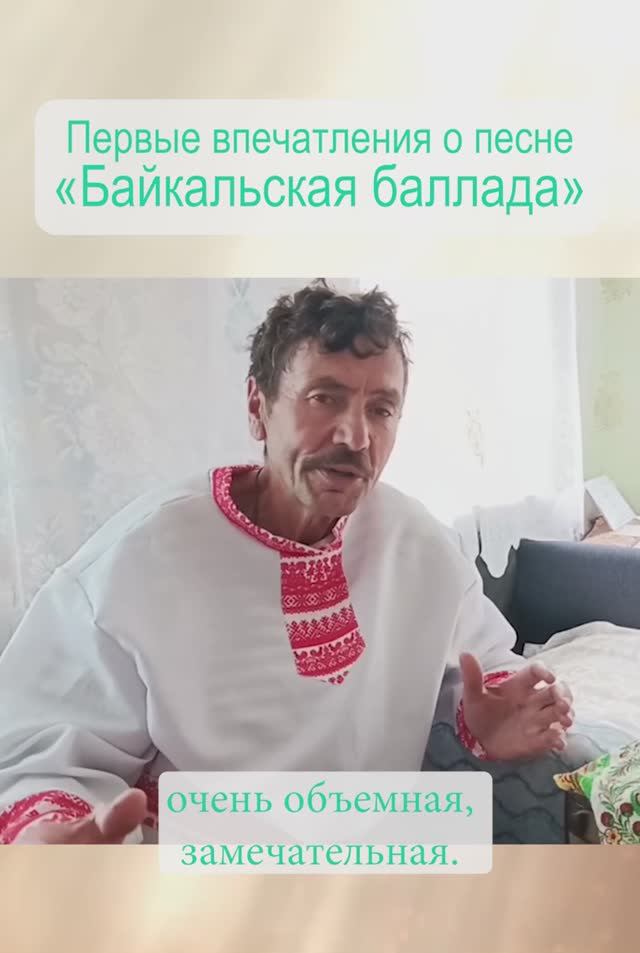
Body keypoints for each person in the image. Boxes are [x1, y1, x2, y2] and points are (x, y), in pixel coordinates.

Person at [0, 280, 573, 845]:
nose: (356, 436)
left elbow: (487, 663)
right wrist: (52, 834)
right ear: (259, 407)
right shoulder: (136, 562)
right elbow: (41, 753)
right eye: (325, 397)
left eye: (381, 409)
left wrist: (498, 716)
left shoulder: (419, 545)